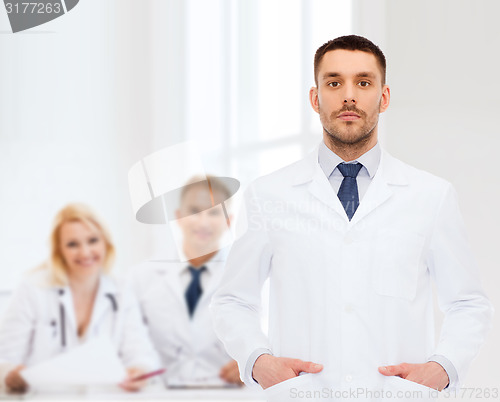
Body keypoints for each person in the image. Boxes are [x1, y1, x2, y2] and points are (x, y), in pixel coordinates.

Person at [210, 35, 493, 401]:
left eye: (363, 82)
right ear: (315, 98)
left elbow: (468, 303)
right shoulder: (268, 195)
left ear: (384, 97)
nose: (349, 96)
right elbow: (233, 300)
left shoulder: (431, 196)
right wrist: (258, 361)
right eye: (333, 83)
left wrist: (443, 368)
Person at [0, 203, 160, 394]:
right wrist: (11, 375)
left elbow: (141, 354)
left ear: (106, 243)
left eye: (92, 240)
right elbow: (4, 358)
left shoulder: (122, 290)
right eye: (72, 244)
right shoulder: (33, 290)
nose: (85, 252)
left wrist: (139, 371)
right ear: (59, 251)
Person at [131, 175, 242, 387]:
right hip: (158, 393)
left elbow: (270, 336)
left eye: (214, 212)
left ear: (228, 221)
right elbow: (129, 340)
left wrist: (255, 361)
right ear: (179, 217)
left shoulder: (246, 275)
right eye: (194, 211)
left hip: (226, 394)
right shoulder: (141, 277)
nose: (203, 222)